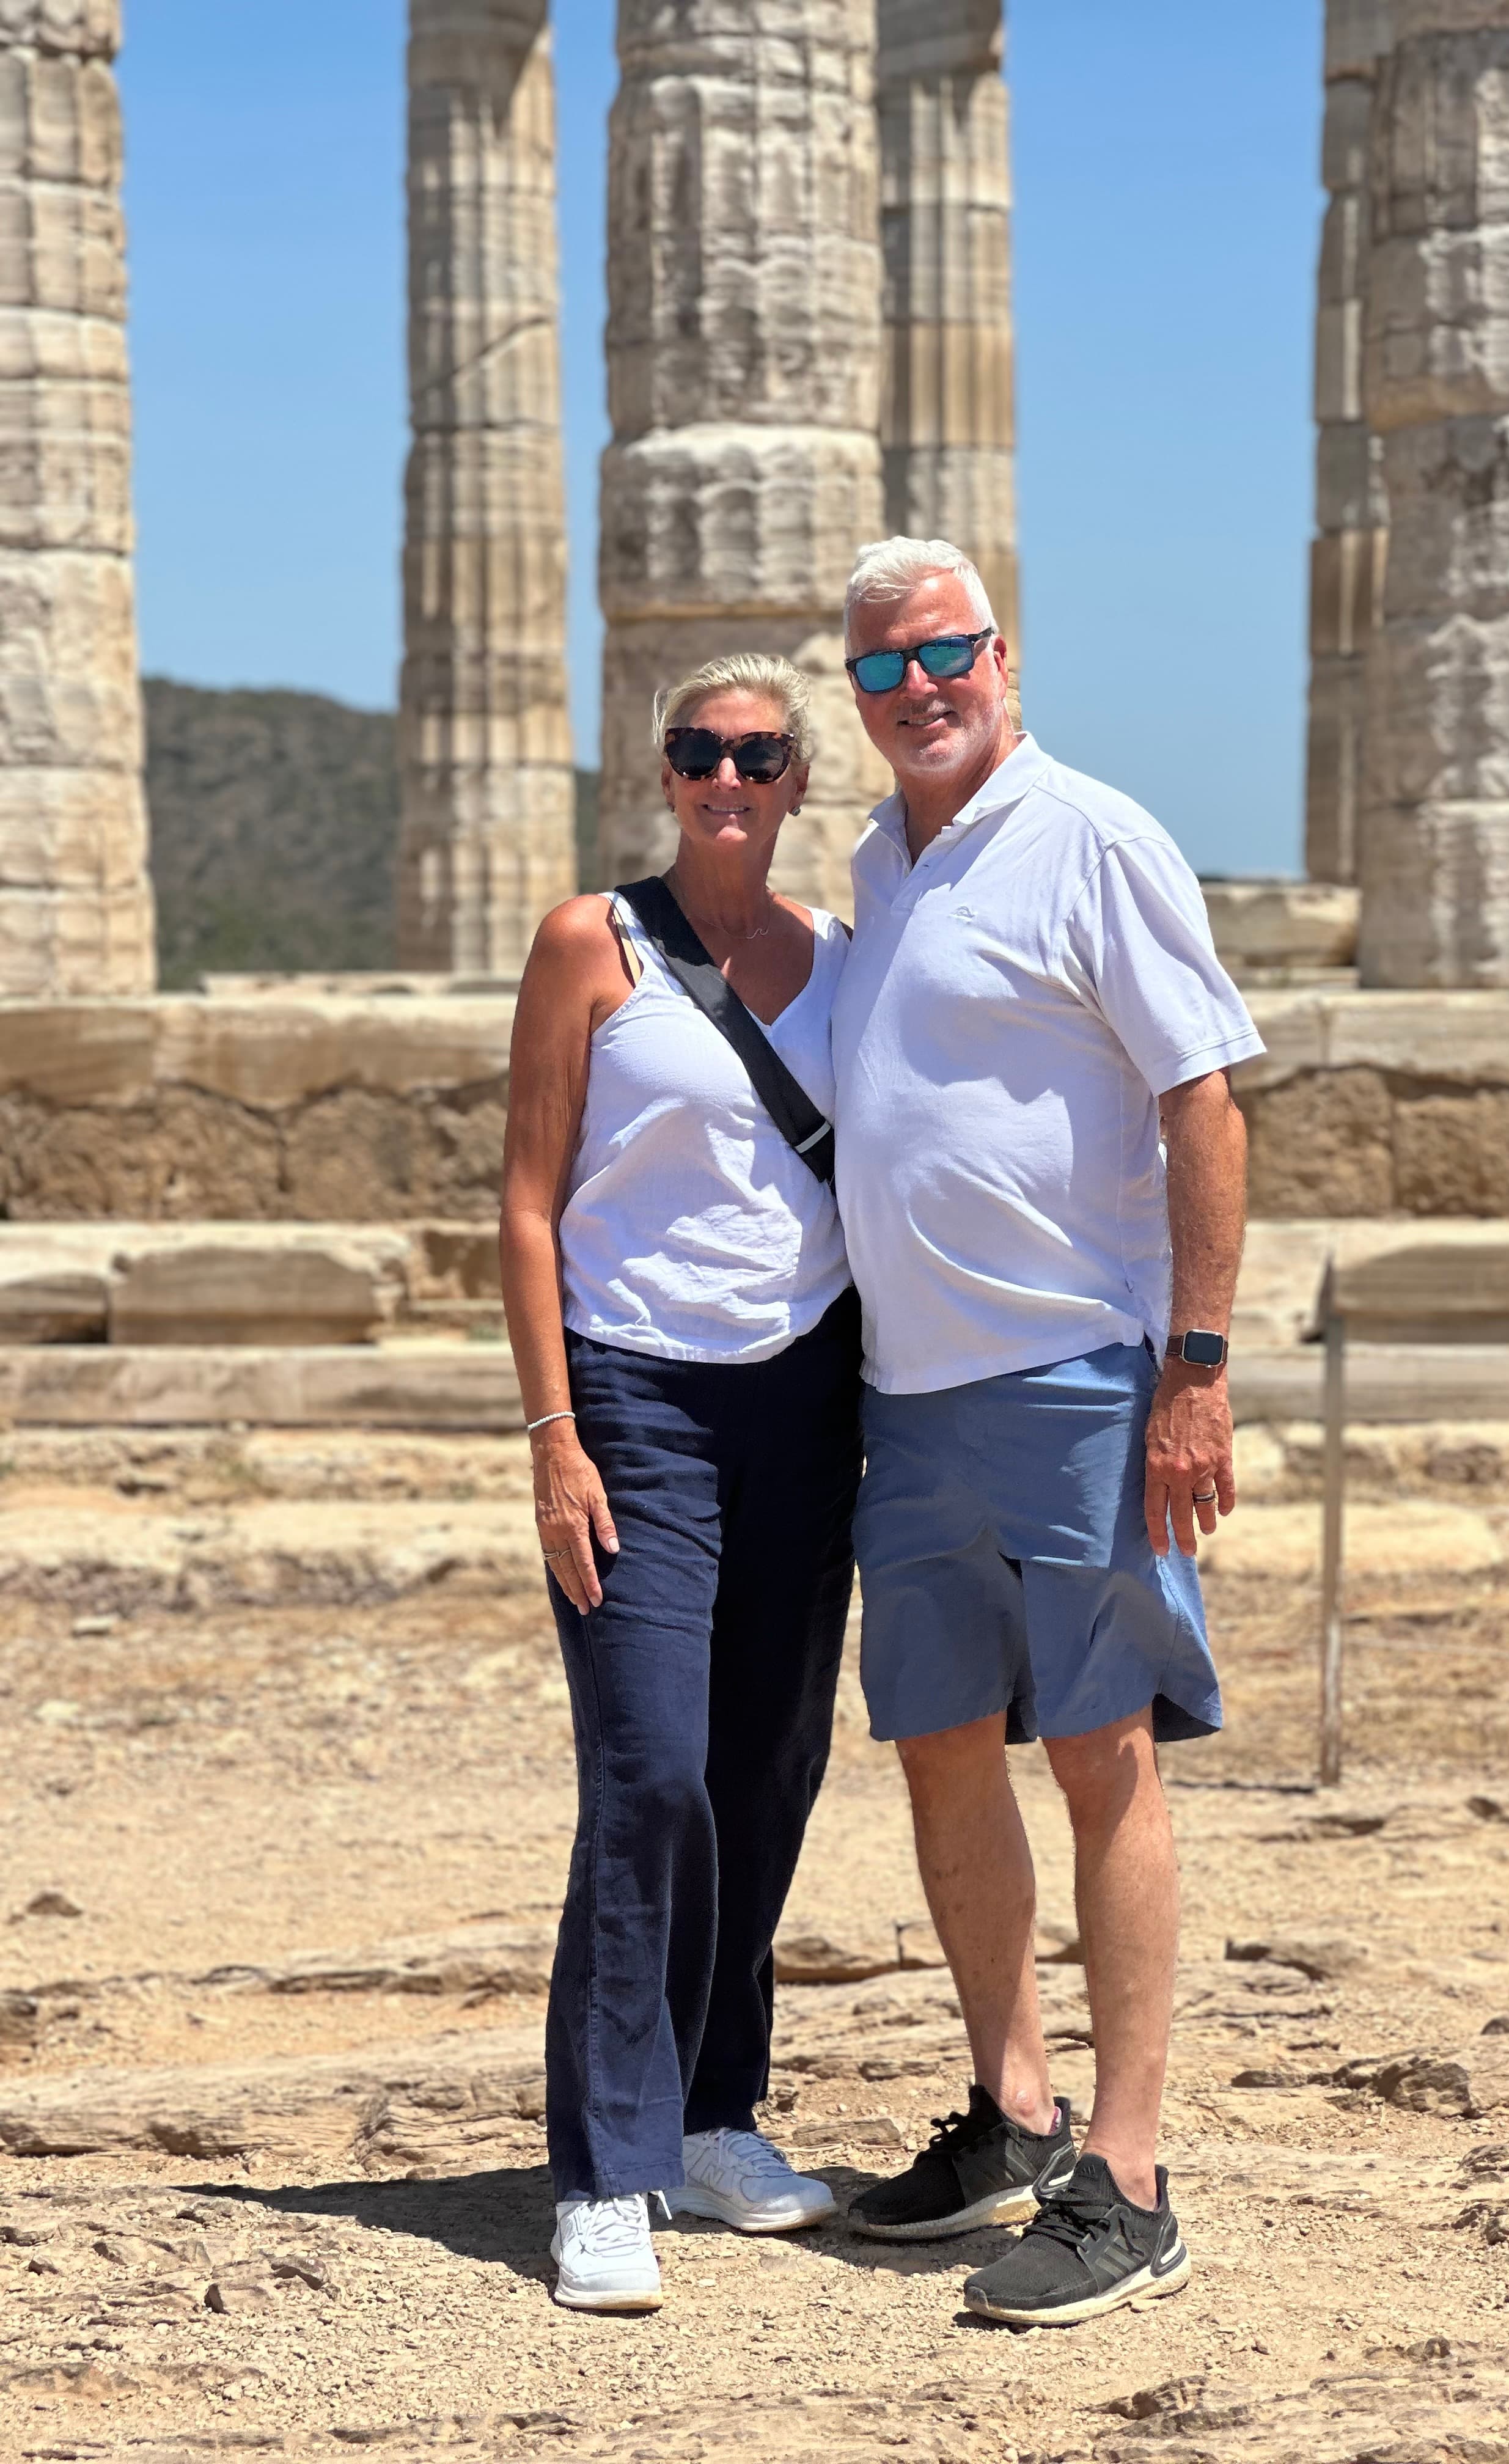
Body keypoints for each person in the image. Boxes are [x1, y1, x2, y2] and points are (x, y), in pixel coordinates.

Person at [831, 538, 1263, 2327]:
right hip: (910, 1400)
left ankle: (1135, 2174)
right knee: (941, 1749)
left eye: (945, 654)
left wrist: (1198, 1364)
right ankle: (1013, 2112)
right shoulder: (875, 859)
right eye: (882, 671)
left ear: (1003, 657)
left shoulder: (1095, 833)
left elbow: (1204, 1098)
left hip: (1083, 1379)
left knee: (1105, 1757)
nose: (919, 689)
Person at [499, 653, 862, 2314]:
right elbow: (525, 1199)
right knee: (648, 1773)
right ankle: (605, 2170)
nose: (727, 778)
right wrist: (552, 1434)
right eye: (699, 753)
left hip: (808, 1402)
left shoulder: (847, 968)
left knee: (767, 1769)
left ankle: (716, 2115)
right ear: (666, 772)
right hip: (634, 1399)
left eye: (758, 755)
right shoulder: (592, 941)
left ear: (798, 782)